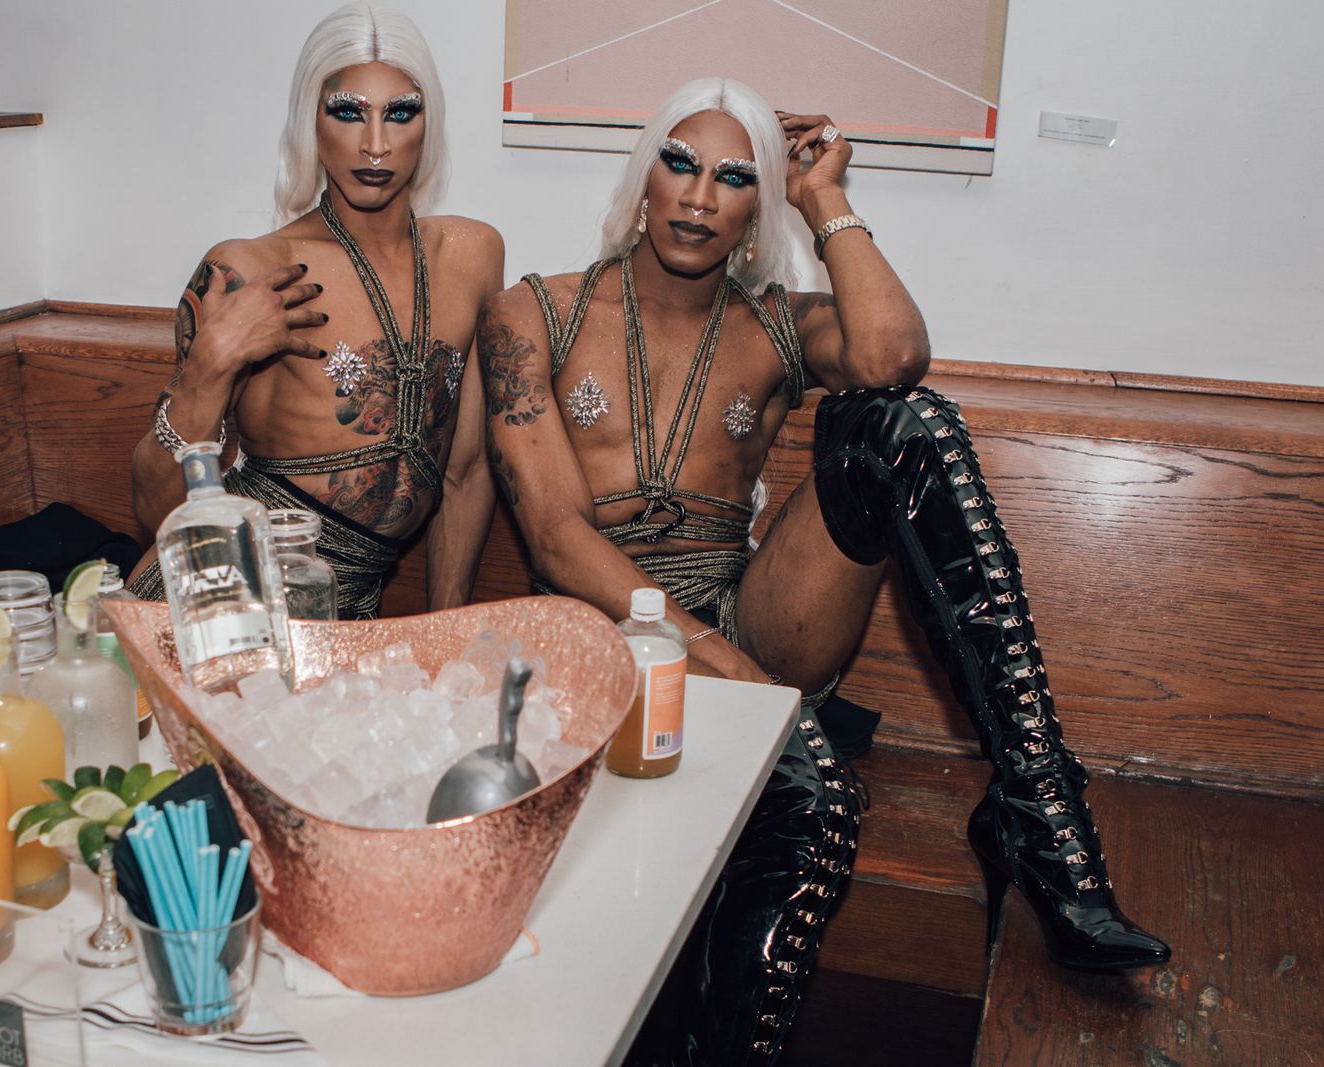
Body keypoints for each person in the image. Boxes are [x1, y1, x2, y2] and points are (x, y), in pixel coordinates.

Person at [480, 78, 1168, 1063]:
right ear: (643, 179)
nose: (699, 196)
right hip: (604, 635)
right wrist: (718, 658)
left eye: (734, 177)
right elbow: (553, 535)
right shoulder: (531, 313)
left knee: (901, 420)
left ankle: (1038, 802)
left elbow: (895, 354)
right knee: (819, 805)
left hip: (750, 615)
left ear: (755, 207)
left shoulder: (774, 324)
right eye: (679, 164)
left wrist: (823, 196)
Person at [129, 2, 501, 617]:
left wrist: (445, 631)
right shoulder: (248, 269)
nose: (375, 145)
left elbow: (466, 471)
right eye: (348, 112)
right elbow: (158, 513)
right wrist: (212, 361)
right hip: (225, 601)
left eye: (400, 113)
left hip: (349, 609)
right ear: (311, 121)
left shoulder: (472, 256)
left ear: (428, 123)